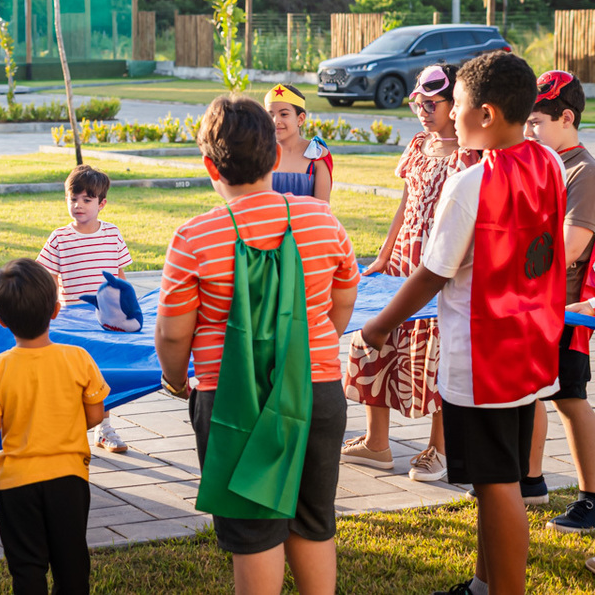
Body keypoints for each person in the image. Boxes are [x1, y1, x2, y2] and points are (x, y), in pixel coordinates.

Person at [361, 52, 566, 595]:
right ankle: (482, 583)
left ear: (488, 114)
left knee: (498, 486)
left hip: (481, 360)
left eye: (461, 106)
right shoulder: (548, 162)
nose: (452, 115)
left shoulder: (472, 184)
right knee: (495, 480)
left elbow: (431, 274)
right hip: (531, 347)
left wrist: (378, 326)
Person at [155, 95, 359, 595]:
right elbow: (343, 301)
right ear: (274, 157)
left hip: (230, 398)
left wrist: (176, 379)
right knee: (313, 521)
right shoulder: (322, 222)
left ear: (208, 165)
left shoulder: (194, 237)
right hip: (316, 391)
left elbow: (173, 331)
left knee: (252, 530)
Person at [342, 65, 479, 482]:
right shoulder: (419, 145)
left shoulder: (470, 154)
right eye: (418, 102)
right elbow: (405, 205)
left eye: (431, 103)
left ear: (455, 103)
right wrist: (384, 255)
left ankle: (439, 448)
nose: (423, 110)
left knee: (436, 355)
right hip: (402, 263)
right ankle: (376, 444)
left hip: (441, 267)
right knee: (376, 345)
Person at [0, 258, 108, 595]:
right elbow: (95, 416)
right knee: (72, 564)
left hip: (17, 486)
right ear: (56, 309)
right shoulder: (79, 358)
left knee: (27, 569)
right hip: (69, 480)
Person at [522, 70, 595, 528]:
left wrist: (515, 263)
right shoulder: (547, 164)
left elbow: (572, 243)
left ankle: (591, 496)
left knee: (570, 399)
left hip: (567, 309)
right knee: (528, 392)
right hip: (535, 303)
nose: (529, 131)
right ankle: (530, 482)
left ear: (566, 117)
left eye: (536, 122)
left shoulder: (583, 171)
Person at [36, 164, 133, 453]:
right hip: (71, 322)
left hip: (107, 321)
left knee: (102, 375)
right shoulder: (59, 238)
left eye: (87, 200)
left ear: (102, 203)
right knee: (70, 378)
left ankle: (104, 429)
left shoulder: (113, 234)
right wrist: (48, 313)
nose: (78, 205)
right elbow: (49, 280)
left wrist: (128, 308)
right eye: (73, 199)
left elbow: (120, 276)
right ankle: (66, 429)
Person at [265, 84, 332, 201]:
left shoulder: (316, 155)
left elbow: (322, 208)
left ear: (300, 119)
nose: (276, 121)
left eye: (284, 114)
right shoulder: (257, 153)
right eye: (270, 115)